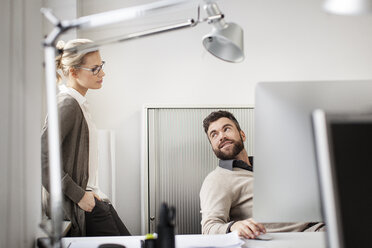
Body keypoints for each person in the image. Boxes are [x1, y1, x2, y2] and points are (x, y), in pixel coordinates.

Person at [41, 39, 131, 237]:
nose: (102, 73)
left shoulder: (78, 104)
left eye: (101, 66)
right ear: (73, 72)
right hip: (81, 205)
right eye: (95, 69)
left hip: (92, 199)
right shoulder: (67, 105)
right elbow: (41, 159)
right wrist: (80, 195)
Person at [200, 110, 324, 239]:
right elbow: (209, 228)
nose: (221, 136)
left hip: (321, 226)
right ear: (213, 147)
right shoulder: (217, 179)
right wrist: (234, 227)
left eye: (226, 129)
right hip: (291, 238)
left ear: (242, 135)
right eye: (214, 134)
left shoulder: (270, 166)